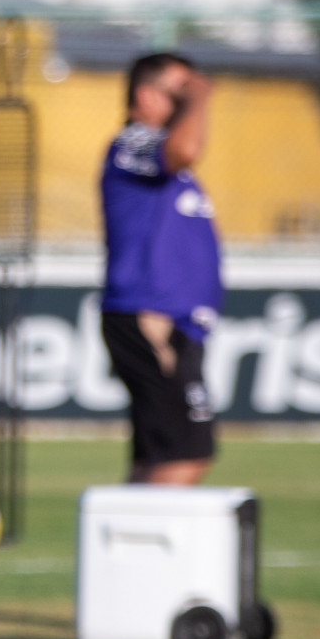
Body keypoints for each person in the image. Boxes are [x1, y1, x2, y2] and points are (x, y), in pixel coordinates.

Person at [99, 52, 224, 485]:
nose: (190, 100)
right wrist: (202, 98)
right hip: (151, 318)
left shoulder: (167, 169)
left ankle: (122, 547)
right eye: (180, 92)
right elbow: (185, 148)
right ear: (147, 96)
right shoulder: (133, 144)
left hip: (176, 324)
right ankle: (147, 552)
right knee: (184, 453)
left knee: (157, 454)